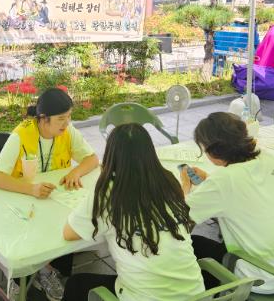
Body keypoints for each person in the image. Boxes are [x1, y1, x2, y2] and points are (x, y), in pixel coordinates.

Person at [62, 123, 205, 301]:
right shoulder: (167, 179)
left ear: (111, 156)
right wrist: (185, 187)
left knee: (76, 284)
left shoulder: (108, 191)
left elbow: (69, 233)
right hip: (198, 295)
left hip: (146, 297)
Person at [0, 87, 99, 300]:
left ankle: (48, 270)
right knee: (34, 229)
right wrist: (31, 189)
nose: (66, 123)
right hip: (23, 199)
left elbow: (92, 159)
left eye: (69, 117)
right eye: (61, 119)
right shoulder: (21, 135)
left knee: (69, 222)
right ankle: (31, 274)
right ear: (43, 118)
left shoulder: (68, 132)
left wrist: (76, 172)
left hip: (54, 198)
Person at [182, 112, 274, 294]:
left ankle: (220, 294)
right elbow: (242, 190)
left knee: (193, 245)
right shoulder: (267, 158)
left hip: (263, 277)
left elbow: (180, 215)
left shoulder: (223, 181)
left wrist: (185, 185)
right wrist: (208, 179)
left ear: (212, 151)